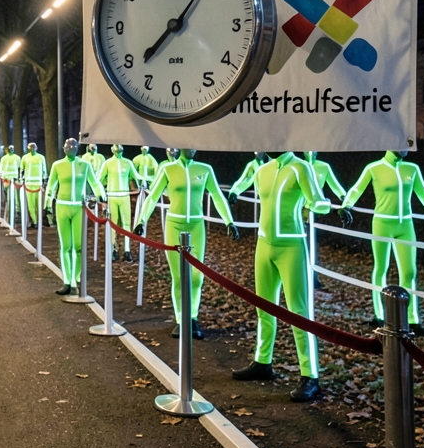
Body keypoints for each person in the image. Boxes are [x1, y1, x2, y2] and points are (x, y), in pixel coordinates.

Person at [230, 152, 348, 402]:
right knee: (263, 308)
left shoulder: (301, 167)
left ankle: (310, 376)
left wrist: (320, 205)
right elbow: (245, 185)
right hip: (263, 245)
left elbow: (319, 199)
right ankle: (263, 361)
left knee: (299, 312)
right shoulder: (263, 170)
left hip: (292, 246)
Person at [342, 150, 424, 335]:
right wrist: (346, 206)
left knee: (409, 272)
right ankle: (379, 315)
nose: (404, 148)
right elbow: (356, 188)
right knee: (381, 268)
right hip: (382, 223)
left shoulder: (411, 168)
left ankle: (412, 320)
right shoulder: (374, 168)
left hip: (406, 224)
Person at [134, 149, 239, 338]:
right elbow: (153, 196)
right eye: (186, 146)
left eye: (194, 146)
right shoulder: (168, 169)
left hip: (196, 226)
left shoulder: (205, 169)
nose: (191, 149)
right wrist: (141, 220)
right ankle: (180, 319)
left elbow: (216, 195)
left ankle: (193, 318)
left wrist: (229, 221)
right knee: (179, 276)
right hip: (174, 225)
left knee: (197, 277)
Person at [45, 139, 105, 296]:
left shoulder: (84, 165)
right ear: (63, 149)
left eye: (73, 146)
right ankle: (66, 281)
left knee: (78, 246)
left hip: (79, 206)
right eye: (67, 146)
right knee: (66, 246)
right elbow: (51, 185)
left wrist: (101, 195)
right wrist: (47, 204)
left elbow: (94, 182)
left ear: (78, 148)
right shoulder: (57, 165)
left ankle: (77, 278)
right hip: (62, 206)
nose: (70, 149)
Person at [303, 151, 347, 289]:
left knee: (311, 244)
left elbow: (335, 185)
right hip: (297, 210)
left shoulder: (324, 167)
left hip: (315, 210)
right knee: (298, 245)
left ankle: (312, 278)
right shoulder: (299, 166)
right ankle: (299, 277)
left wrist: (345, 198)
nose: (310, 152)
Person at [98, 145, 139, 261]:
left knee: (126, 224)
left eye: (120, 150)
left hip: (124, 196)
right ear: (112, 150)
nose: (118, 152)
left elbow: (136, 176)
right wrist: (101, 193)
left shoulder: (128, 162)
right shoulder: (107, 163)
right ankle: (113, 250)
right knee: (112, 224)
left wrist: (147, 182)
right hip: (112, 196)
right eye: (116, 150)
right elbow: (98, 179)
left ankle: (127, 250)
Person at [21, 143, 47, 228]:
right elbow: (22, 169)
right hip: (29, 184)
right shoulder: (25, 158)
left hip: (38, 184)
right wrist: (22, 180)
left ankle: (37, 221)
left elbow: (44, 170)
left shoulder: (41, 157)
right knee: (31, 204)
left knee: (38, 204)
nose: (32, 149)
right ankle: (35, 221)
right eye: (31, 148)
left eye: (33, 147)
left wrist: (44, 181)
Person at [0, 144, 22, 218]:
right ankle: (17, 209)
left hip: (6, 179)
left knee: (8, 194)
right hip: (14, 179)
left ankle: (11, 207)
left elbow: (1, 168)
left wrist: (0, 176)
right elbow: (19, 168)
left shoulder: (4, 158)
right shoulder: (17, 158)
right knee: (16, 195)